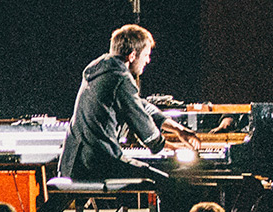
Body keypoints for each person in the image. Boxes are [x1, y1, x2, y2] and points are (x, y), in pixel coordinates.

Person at [57, 24, 192, 182]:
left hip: (72, 163)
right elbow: (141, 121)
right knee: (168, 181)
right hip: (98, 163)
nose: (148, 61)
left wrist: (178, 129)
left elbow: (140, 105)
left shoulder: (99, 69)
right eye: (146, 55)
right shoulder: (120, 76)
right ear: (133, 55)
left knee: (150, 172)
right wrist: (171, 147)